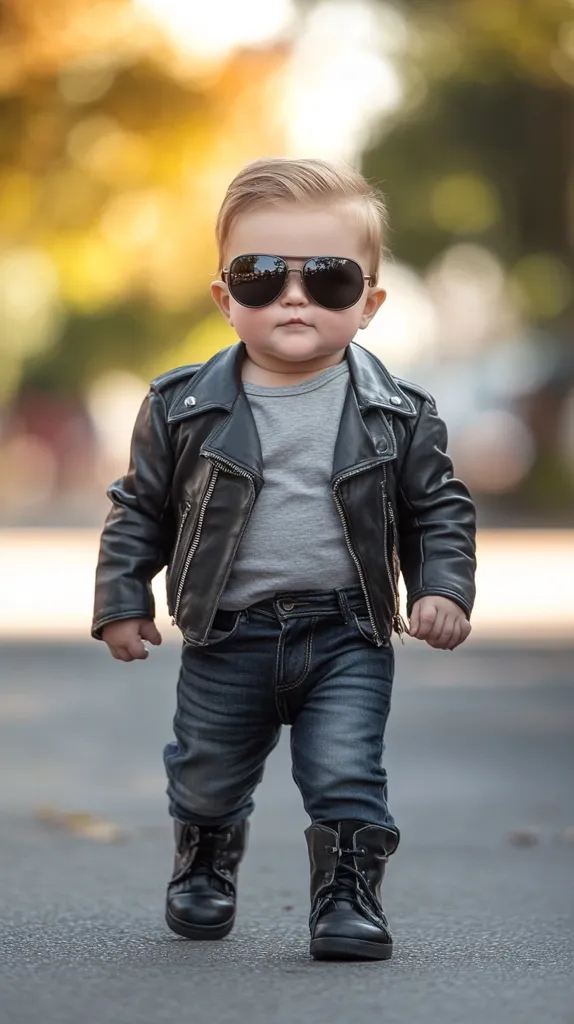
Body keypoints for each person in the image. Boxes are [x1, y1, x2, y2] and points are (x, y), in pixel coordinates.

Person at [92, 157, 476, 962]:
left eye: (329, 279)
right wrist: (122, 596)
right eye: (262, 276)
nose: (294, 296)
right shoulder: (180, 406)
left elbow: (438, 509)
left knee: (346, 772)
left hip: (347, 633)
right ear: (225, 298)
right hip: (228, 634)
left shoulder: (400, 413)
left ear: (369, 304)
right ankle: (205, 856)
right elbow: (141, 508)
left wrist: (442, 587)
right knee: (207, 771)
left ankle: (347, 895)